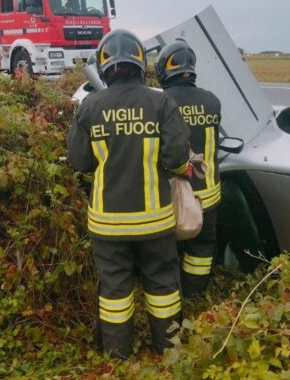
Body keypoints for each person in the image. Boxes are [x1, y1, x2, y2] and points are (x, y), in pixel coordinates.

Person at [67, 29, 191, 358]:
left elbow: (78, 162)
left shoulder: (90, 106)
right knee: (163, 285)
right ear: (141, 63)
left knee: (115, 291)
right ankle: (170, 351)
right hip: (156, 223)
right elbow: (179, 159)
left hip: (108, 225)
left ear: (105, 65)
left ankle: (117, 356)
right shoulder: (161, 101)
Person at [155, 40, 222, 298]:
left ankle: (172, 293)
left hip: (173, 198)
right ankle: (195, 296)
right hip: (209, 196)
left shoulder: (160, 103)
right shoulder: (212, 101)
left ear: (163, 69)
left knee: (168, 249)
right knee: (202, 250)